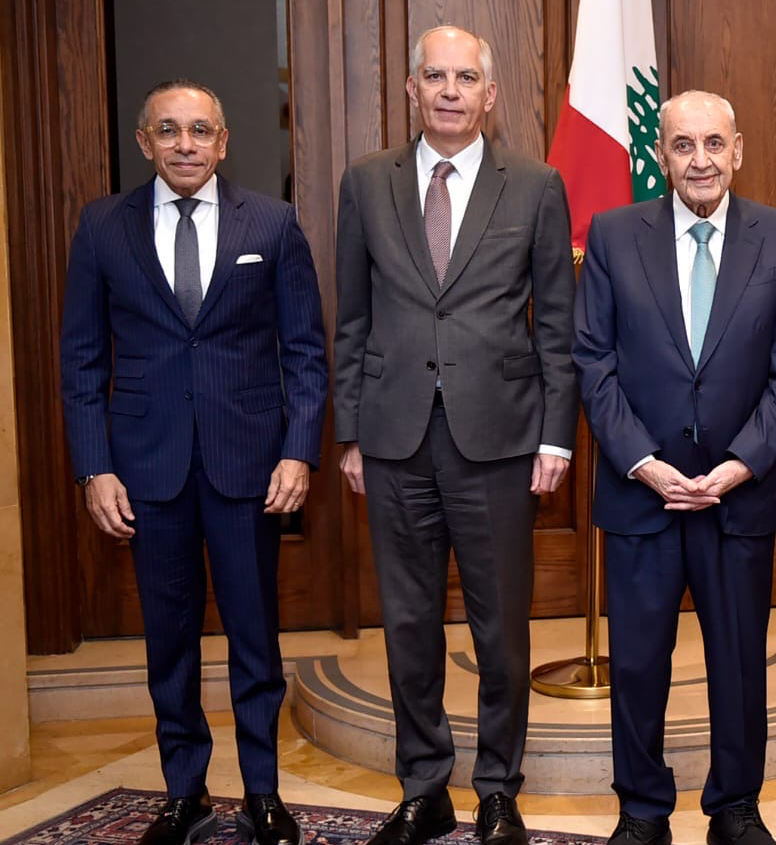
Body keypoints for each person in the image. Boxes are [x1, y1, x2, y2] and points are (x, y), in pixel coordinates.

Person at [60, 79, 326, 845]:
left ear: (223, 140)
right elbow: (81, 359)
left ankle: (263, 791)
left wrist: (299, 451)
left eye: (200, 130)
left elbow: (306, 351)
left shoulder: (271, 223)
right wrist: (94, 467)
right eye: (169, 130)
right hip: (146, 468)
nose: (186, 144)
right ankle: (185, 791)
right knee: (168, 636)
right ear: (144, 142)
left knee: (255, 635)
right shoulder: (101, 227)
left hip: (249, 464)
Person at [332, 25, 577, 845]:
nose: (448, 90)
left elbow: (558, 328)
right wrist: (349, 432)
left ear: (489, 94)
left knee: (500, 628)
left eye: (465, 77)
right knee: (408, 623)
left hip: (500, 442)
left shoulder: (536, 186)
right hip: (393, 438)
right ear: (412, 89)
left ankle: (498, 789)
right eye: (434, 76)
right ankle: (424, 786)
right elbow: (352, 319)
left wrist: (555, 437)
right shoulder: (366, 182)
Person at [573, 90, 776, 845]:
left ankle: (735, 806)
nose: (700, 160)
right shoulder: (613, 236)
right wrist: (642, 462)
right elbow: (593, 362)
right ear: (661, 154)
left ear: (737, 149)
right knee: (637, 665)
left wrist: (742, 464)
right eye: (683, 145)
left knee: (739, 664)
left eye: (714, 144)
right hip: (641, 496)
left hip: (736, 498)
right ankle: (643, 810)